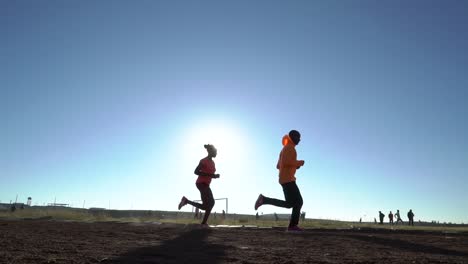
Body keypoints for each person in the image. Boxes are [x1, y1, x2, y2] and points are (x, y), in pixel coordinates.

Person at [254, 130, 305, 232]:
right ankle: (292, 226)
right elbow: (286, 162)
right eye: (298, 137)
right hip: (288, 179)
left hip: (284, 178)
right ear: (293, 137)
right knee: (298, 202)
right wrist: (299, 163)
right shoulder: (290, 148)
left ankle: (264, 200)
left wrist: (294, 165)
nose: (299, 139)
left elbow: (278, 165)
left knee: (290, 204)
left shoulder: (284, 149)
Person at [178, 144, 220, 226]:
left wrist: (214, 176)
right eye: (215, 152)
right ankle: (203, 223)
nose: (216, 153)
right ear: (210, 151)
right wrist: (211, 175)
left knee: (206, 206)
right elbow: (196, 171)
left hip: (206, 184)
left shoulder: (213, 163)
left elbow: (210, 174)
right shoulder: (203, 161)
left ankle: (186, 201)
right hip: (201, 183)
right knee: (211, 203)